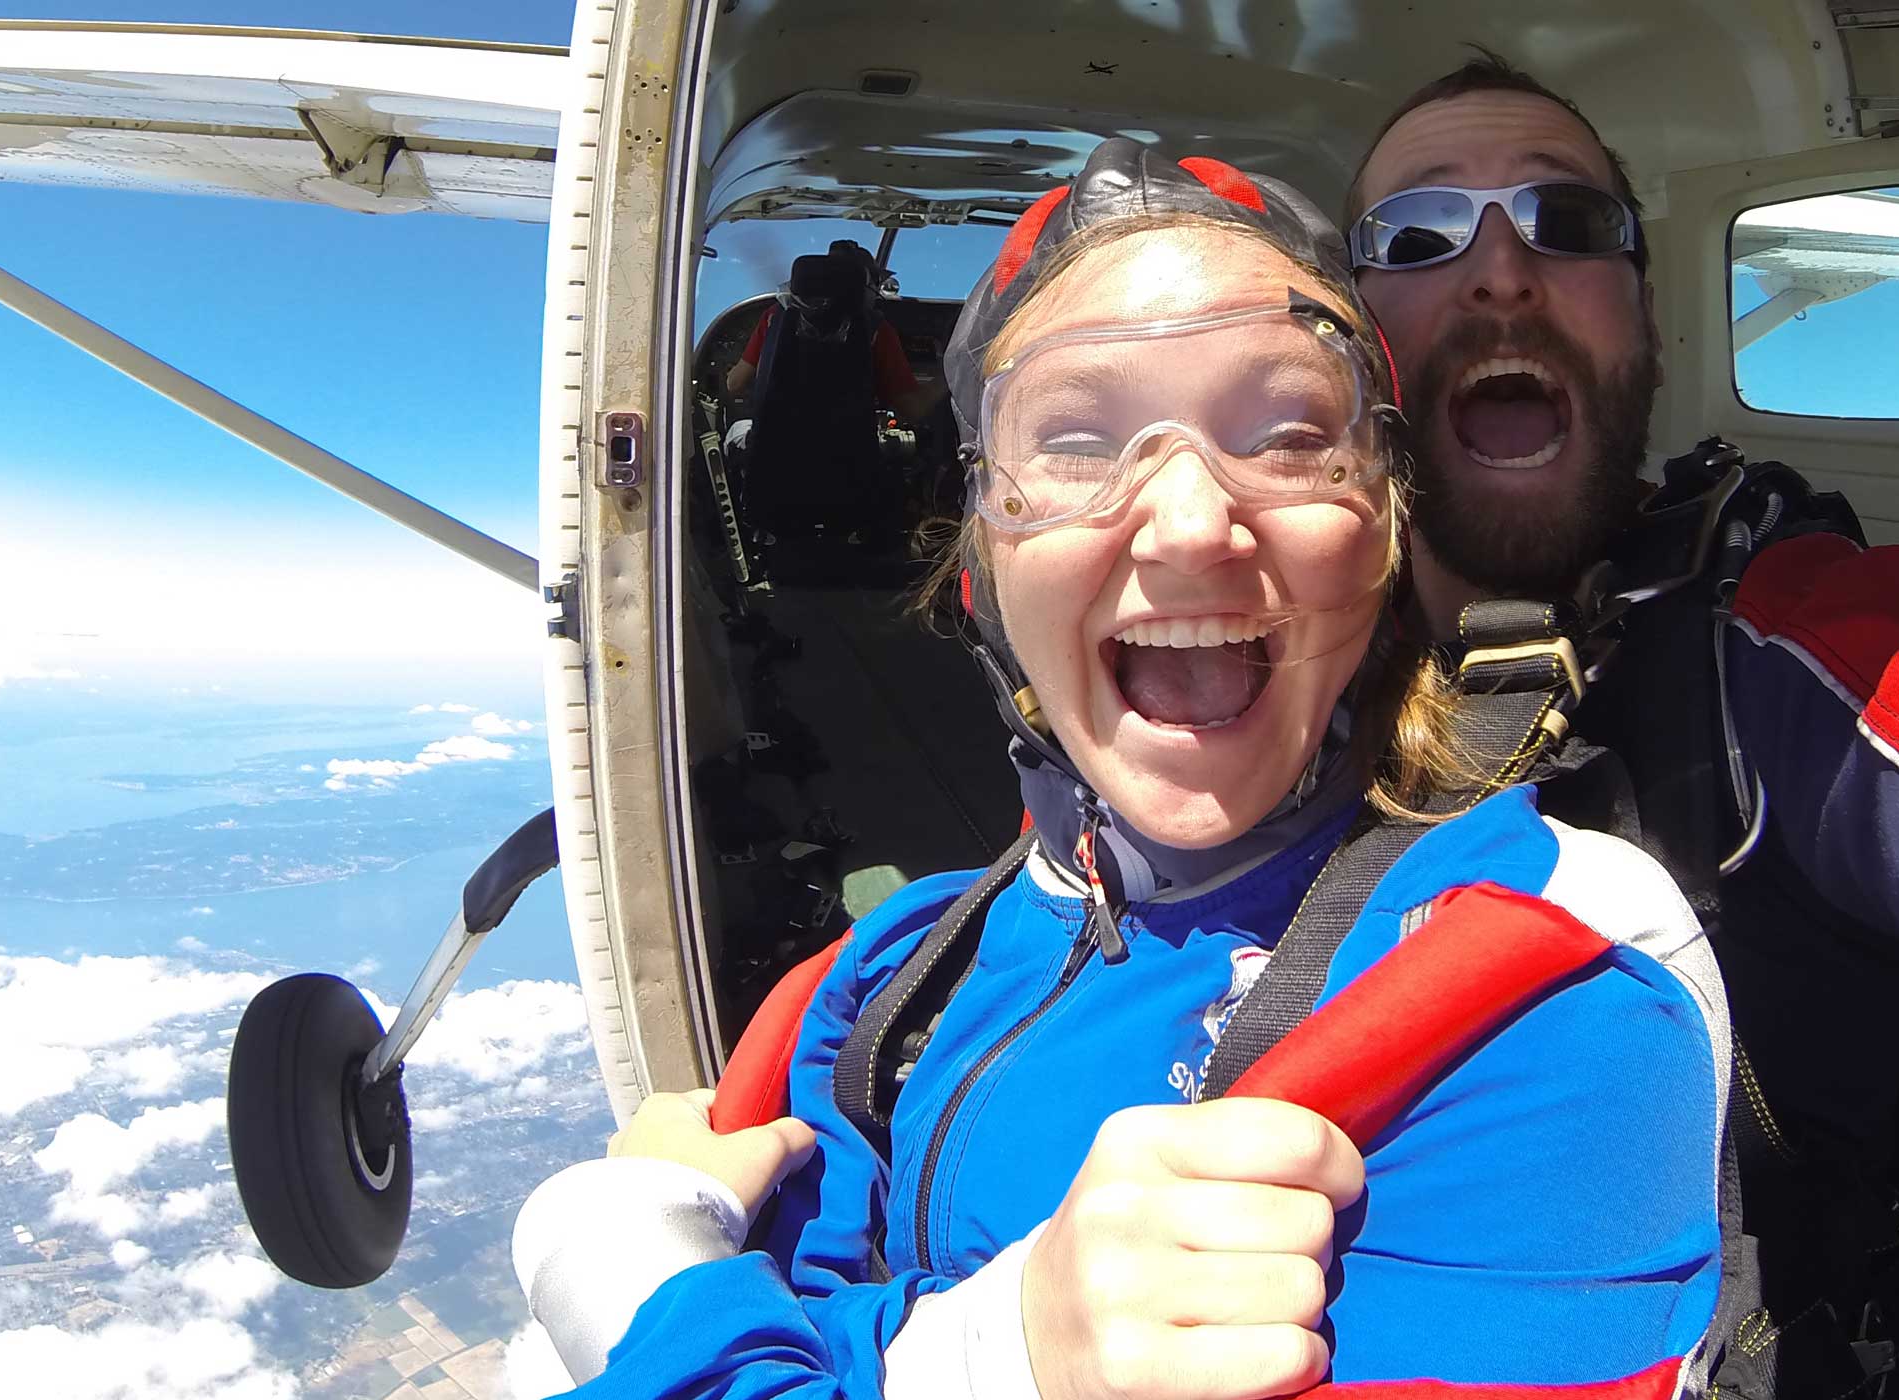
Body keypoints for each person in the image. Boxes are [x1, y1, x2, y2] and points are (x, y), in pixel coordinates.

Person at [511, 140, 1732, 1399]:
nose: (1195, 522)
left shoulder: (1540, 963)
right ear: (984, 565)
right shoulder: (883, 978)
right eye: (1082, 440)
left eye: (1293, 433)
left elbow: (695, 1332)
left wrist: (625, 1265)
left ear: (1382, 531)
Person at [1342, 52, 1899, 1393]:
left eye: (1569, 223)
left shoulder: (1780, 640)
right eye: (1418, 234)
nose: (1499, 273)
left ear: (1646, 324)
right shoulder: (1243, 673)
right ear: (1337, 336)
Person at [725, 239, 948, 424]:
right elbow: (914, 410)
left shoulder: (775, 318)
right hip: (847, 470)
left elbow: (734, 384)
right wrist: (951, 374)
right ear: (865, 286)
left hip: (770, 466)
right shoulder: (874, 330)